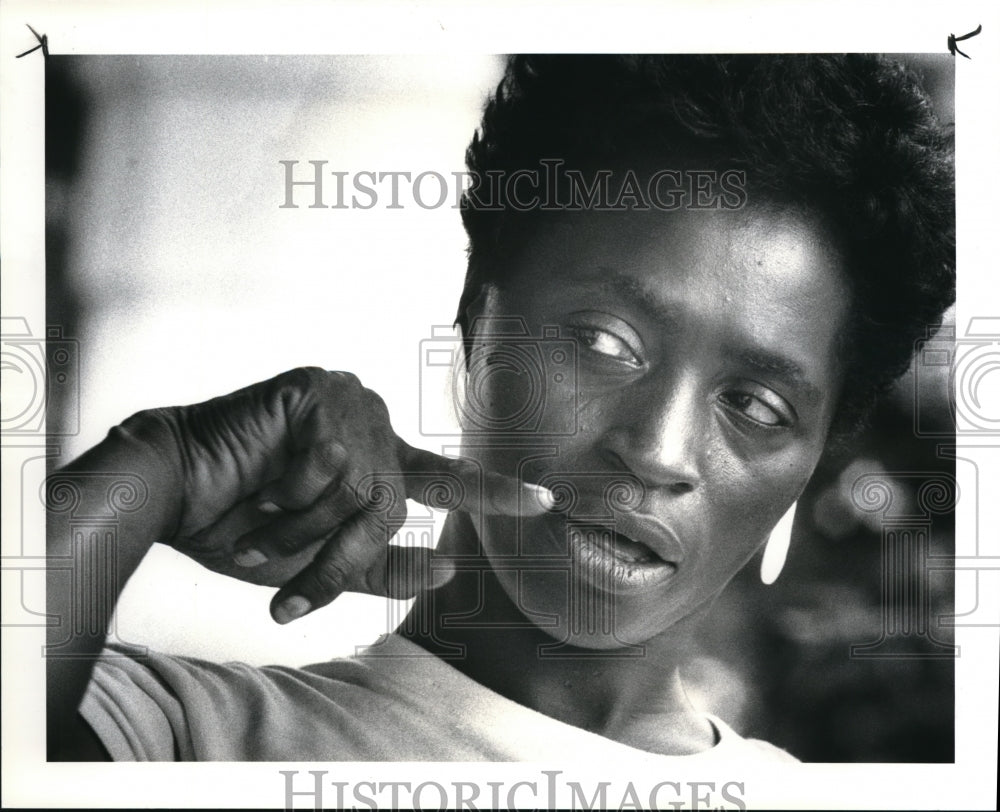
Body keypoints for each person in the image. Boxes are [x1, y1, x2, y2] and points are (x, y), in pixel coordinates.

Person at [46, 54, 954, 762]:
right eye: (605, 342)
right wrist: (150, 466)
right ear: (478, 316)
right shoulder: (179, 737)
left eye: (755, 404)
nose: (657, 449)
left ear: (813, 458)